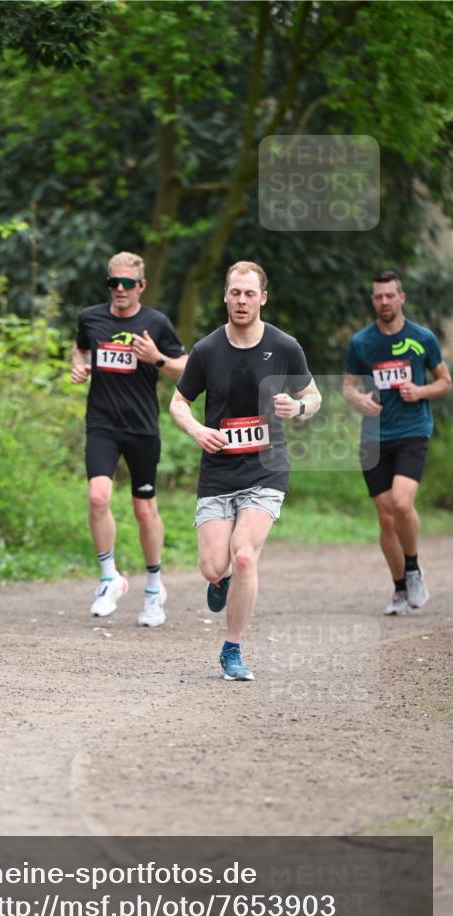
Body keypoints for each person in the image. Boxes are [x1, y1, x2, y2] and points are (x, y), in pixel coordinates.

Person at [170, 261, 321, 681]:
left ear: (262, 298)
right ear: (225, 295)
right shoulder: (206, 350)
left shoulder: (285, 346)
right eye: (235, 292)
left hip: (265, 469)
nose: (241, 300)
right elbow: (178, 402)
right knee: (214, 567)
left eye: (249, 293)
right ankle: (219, 582)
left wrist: (300, 407)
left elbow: (313, 396)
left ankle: (232, 650)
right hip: (218, 472)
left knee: (244, 556)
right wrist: (198, 430)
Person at [72, 251, 187, 626]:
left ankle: (154, 588)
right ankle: (109, 578)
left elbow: (183, 369)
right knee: (97, 496)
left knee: (143, 509)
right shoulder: (91, 317)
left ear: (141, 286)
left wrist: (155, 357)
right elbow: (81, 347)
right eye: (113, 283)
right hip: (102, 423)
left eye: (127, 283)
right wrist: (79, 364)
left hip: (141, 428)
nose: (119, 289)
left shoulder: (156, 322)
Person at [343, 270, 451, 615]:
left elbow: (444, 382)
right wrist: (360, 400)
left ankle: (414, 566)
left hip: (411, 431)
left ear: (401, 297)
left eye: (390, 295)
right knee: (386, 517)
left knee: (402, 504)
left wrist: (419, 391)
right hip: (373, 438)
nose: (384, 302)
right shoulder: (361, 343)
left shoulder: (422, 338)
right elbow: (348, 387)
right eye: (378, 296)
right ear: (373, 300)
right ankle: (400, 589)